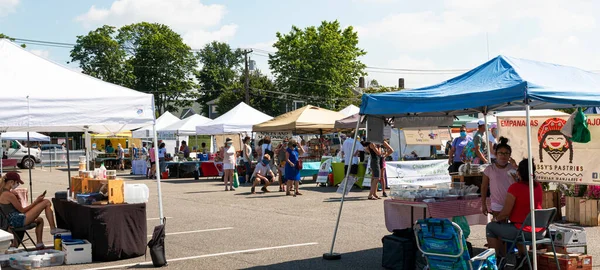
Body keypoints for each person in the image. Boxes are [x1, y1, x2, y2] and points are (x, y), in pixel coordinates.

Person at [485, 158, 543, 264]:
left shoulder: (515, 187)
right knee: (517, 225)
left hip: (523, 230)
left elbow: (505, 213)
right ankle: (523, 256)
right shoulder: (538, 186)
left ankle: (497, 260)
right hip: (540, 230)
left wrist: (495, 219)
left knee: (491, 227)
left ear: (518, 172)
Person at [0, 172, 67, 249]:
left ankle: (39, 244)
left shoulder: (4, 192)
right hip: (15, 220)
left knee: (40, 220)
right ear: (11, 182)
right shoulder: (8, 194)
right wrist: (36, 202)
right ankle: (53, 228)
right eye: (17, 182)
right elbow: (22, 210)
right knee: (46, 202)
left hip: (11, 219)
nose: (17, 185)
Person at [481, 137, 517, 217]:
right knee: (499, 227)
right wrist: (483, 204)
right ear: (496, 154)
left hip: (513, 203)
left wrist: (516, 167)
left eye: (506, 153)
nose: (503, 156)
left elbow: (521, 183)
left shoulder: (513, 168)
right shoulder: (489, 169)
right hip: (497, 204)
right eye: (500, 153)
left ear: (510, 155)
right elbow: (484, 187)